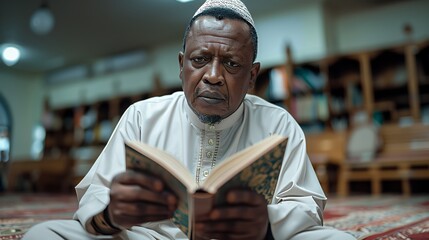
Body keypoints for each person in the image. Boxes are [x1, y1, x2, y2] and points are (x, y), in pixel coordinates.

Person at [23, 0, 356, 239]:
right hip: (152, 238)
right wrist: (111, 213)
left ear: (252, 76)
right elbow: (97, 193)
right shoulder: (142, 116)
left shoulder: (278, 125)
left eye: (232, 65)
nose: (212, 76)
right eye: (199, 60)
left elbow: (306, 206)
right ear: (182, 64)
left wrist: (266, 224)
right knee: (43, 233)